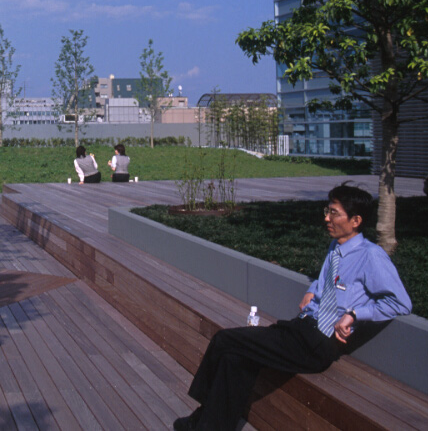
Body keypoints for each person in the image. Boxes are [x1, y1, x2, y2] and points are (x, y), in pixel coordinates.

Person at [174, 183, 412, 431]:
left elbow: (400, 303)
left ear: (356, 221)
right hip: (301, 329)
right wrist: (313, 289)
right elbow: (330, 280)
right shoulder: (337, 247)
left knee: (224, 340)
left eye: (334, 213)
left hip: (318, 343)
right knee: (235, 358)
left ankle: (200, 416)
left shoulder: (371, 256)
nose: (326, 218)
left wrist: (354, 314)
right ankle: (208, 424)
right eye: (327, 211)